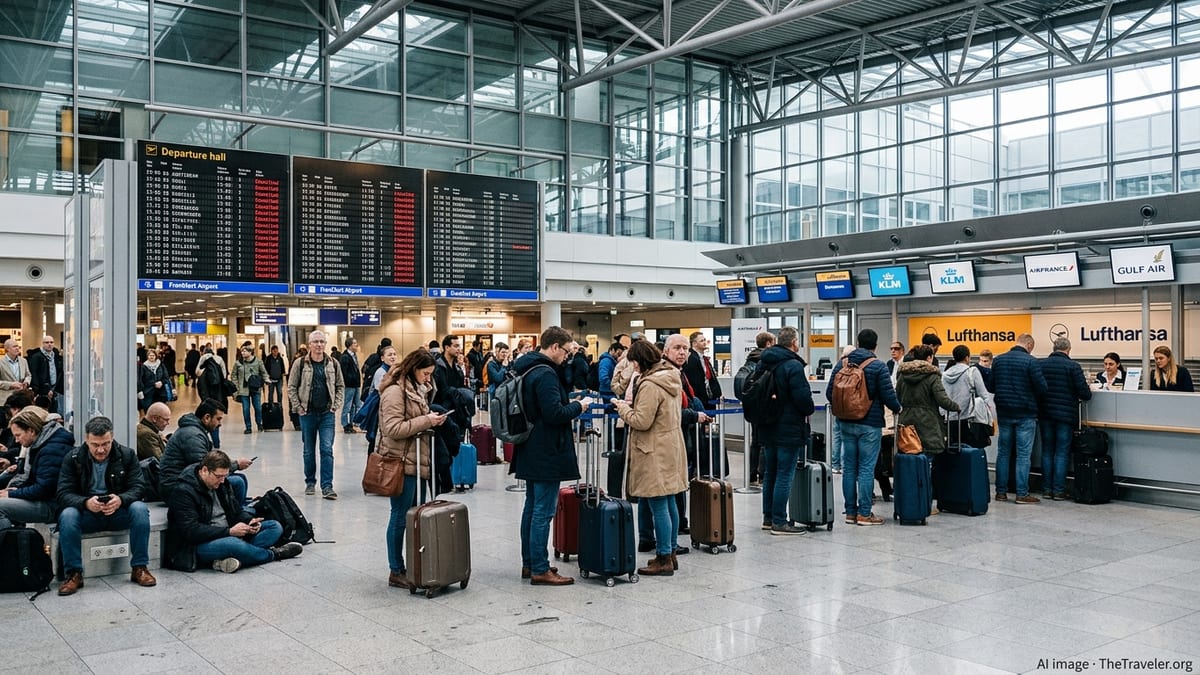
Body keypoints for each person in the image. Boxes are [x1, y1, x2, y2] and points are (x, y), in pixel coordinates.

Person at [509, 326, 593, 586]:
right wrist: (579, 406)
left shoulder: (526, 367)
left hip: (529, 446)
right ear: (554, 347)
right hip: (546, 449)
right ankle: (540, 567)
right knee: (542, 511)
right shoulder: (545, 373)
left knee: (532, 508)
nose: (567, 357)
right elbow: (554, 413)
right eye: (566, 352)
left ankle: (529, 562)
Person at [611, 341, 688, 577]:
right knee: (670, 501)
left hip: (653, 449)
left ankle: (664, 556)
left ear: (639, 361)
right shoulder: (671, 377)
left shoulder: (650, 384)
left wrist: (622, 408)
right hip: (671, 445)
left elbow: (642, 420)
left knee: (658, 504)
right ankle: (671, 551)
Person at [56, 416, 156, 595]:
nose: (101, 450)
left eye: (106, 444)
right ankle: (74, 573)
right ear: (87, 439)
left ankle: (140, 567)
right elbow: (63, 493)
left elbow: (139, 487)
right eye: (95, 445)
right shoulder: (73, 458)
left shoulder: (127, 455)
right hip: (88, 513)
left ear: (112, 438)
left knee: (139, 509)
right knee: (68, 515)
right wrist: (85, 503)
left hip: (118, 512)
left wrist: (121, 500)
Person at [376, 348, 448, 589]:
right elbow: (392, 429)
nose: (428, 379)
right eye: (426, 373)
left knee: (412, 515)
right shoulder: (395, 392)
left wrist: (433, 418)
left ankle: (413, 564)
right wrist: (425, 421)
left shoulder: (416, 389)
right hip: (401, 463)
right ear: (414, 369)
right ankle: (396, 569)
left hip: (417, 461)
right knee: (399, 516)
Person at [166, 450, 302, 573]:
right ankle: (273, 554)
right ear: (205, 470)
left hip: (228, 532)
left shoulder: (222, 484)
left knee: (274, 527)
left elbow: (236, 511)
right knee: (232, 544)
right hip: (195, 546)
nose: (222, 480)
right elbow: (191, 531)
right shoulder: (183, 491)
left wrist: (249, 521)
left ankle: (232, 559)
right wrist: (229, 532)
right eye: (219, 476)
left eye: (225, 476)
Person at [826, 328, 901, 526]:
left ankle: (850, 512)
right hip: (869, 424)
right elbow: (888, 395)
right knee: (866, 469)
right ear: (875, 345)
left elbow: (829, 393)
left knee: (849, 468)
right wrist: (897, 408)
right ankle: (865, 514)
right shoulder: (878, 365)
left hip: (845, 423)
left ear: (857, 343)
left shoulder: (841, 363)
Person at [758, 326, 815, 535]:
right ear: (794, 343)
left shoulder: (764, 362)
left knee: (770, 473)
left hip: (767, 425)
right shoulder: (793, 365)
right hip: (788, 427)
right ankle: (780, 521)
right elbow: (802, 398)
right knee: (784, 473)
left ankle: (768, 517)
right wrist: (808, 409)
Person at [896, 345, 960, 513]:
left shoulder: (903, 374)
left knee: (910, 463)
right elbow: (942, 399)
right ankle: (925, 504)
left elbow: (897, 396)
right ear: (930, 357)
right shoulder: (932, 375)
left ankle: (910, 501)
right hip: (927, 423)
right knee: (927, 464)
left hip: (907, 423)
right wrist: (956, 407)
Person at [160, 398, 252, 505]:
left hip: (181, 481)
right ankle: (235, 513)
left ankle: (239, 507)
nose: (220, 424)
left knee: (240, 478)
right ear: (207, 417)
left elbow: (210, 459)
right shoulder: (192, 435)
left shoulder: (195, 431)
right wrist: (236, 465)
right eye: (218, 419)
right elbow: (206, 465)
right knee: (237, 482)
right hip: (175, 487)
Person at [288, 330, 345, 499]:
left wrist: (336, 405)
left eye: (322, 341)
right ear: (310, 344)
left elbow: (340, 385)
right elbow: (291, 387)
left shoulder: (333, 363)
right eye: (316, 342)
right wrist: (298, 407)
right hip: (307, 413)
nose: (319, 345)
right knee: (308, 450)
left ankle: (327, 486)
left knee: (326, 449)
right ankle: (310, 482)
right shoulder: (300, 364)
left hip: (327, 413)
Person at [992, 333, 1048, 504]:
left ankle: (1001, 492)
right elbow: (1042, 387)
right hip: (1025, 413)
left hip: (1004, 412)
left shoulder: (998, 360)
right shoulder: (1031, 362)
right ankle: (1021, 494)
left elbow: (991, 385)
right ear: (1029, 345)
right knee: (1023, 455)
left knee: (1003, 453)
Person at [0, 406, 74, 530]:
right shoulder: (45, 444)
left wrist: (13, 493)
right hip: (49, 500)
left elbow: (44, 489)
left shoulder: (50, 450)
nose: (17, 440)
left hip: (51, 505)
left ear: (31, 431)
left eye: (18, 435)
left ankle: (9, 544)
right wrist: (15, 491)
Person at [1039, 337, 1092, 501]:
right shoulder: (1073, 366)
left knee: (1047, 451)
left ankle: (1047, 489)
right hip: (1065, 416)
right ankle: (1059, 491)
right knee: (1062, 453)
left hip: (1045, 414)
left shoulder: (1040, 364)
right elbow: (1085, 393)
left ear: (1053, 348)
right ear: (1068, 349)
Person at [737, 331, 775, 486]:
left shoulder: (750, 359)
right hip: (765, 407)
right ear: (768, 344)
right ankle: (763, 474)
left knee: (755, 441)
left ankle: (752, 473)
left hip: (752, 406)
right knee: (765, 441)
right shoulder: (767, 361)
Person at [941, 345, 991, 449]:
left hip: (948, 419)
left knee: (951, 449)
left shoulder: (945, 374)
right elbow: (984, 394)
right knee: (968, 450)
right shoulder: (972, 371)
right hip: (967, 419)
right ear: (967, 358)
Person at [363, 345, 399, 455]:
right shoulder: (381, 372)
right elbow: (382, 392)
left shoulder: (392, 370)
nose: (393, 357)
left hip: (385, 410)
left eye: (394, 354)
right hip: (378, 410)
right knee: (375, 439)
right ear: (382, 358)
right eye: (389, 355)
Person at [828, 344, 856, 474]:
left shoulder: (838, 366)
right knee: (847, 437)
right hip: (851, 408)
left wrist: (834, 403)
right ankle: (846, 466)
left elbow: (829, 389)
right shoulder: (855, 367)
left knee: (837, 436)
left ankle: (835, 465)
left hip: (838, 407)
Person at [195, 346, 229, 448]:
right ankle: (216, 442)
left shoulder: (203, 359)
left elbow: (197, 372)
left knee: (205, 415)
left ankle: (203, 441)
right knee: (215, 415)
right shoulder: (219, 359)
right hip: (217, 393)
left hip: (206, 393)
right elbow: (224, 374)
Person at [231, 345, 268, 434]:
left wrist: (266, 379)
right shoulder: (238, 363)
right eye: (242, 351)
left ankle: (259, 424)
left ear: (250, 352)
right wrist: (236, 386)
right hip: (243, 389)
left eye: (245, 351)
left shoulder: (258, 362)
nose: (242, 353)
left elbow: (263, 372)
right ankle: (248, 427)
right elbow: (233, 375)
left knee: (258, 407)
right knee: (246, 409)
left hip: (255, 388)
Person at [682, 332, 722, 409]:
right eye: (701, 341)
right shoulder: (691, 358)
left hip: (708, 397)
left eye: (704, 340)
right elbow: (694, 382)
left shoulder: (704, 358)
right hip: (700, 399)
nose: (704, 342)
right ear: (694, 343)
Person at [27, 335, 63, 414]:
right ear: (42, 344)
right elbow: (34, 374)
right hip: (41, 390)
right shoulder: (36, 357)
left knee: (55, 411)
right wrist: (43, 389)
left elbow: (59, 373)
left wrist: (54, 389)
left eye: (51, 342)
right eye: (47, 342)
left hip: (55, 389)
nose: (49, 344)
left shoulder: (56, 357)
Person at [432, 334, 467, 410]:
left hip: (457, 407)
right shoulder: (438, 366)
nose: (459, 349)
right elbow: (442, 390)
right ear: (447, 347)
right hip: (443, 408)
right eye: (455, 346)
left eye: (459, 346)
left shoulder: (456, 367)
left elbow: (460, 385)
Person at [339, 337, 362, 434]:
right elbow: (344, 372)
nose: (356, 345)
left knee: (355, 405)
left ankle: (352, 423)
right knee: (347, 405)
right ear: (349, 345)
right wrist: (350, 379)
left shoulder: (354, 356)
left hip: (355, 384)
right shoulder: (345, 357)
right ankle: (345, 424)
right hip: (349, 385)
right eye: (354, 343)